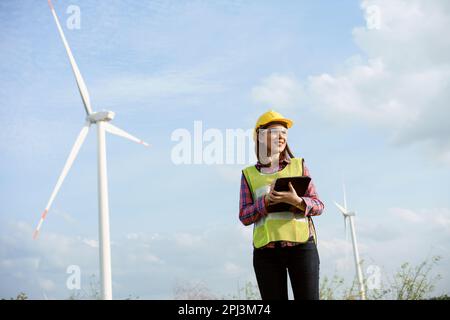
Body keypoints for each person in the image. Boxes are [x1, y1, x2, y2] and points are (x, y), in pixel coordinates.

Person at [239, 110, 324, 300]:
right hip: (266, 254)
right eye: (276, 132)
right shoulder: (248, 174)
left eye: (285, 133)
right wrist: (265, 203)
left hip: (301, 248)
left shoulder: (299, 166)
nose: (282, 137)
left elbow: (319, 205)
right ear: (260, 137)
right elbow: (244, 216)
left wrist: (298, 202)